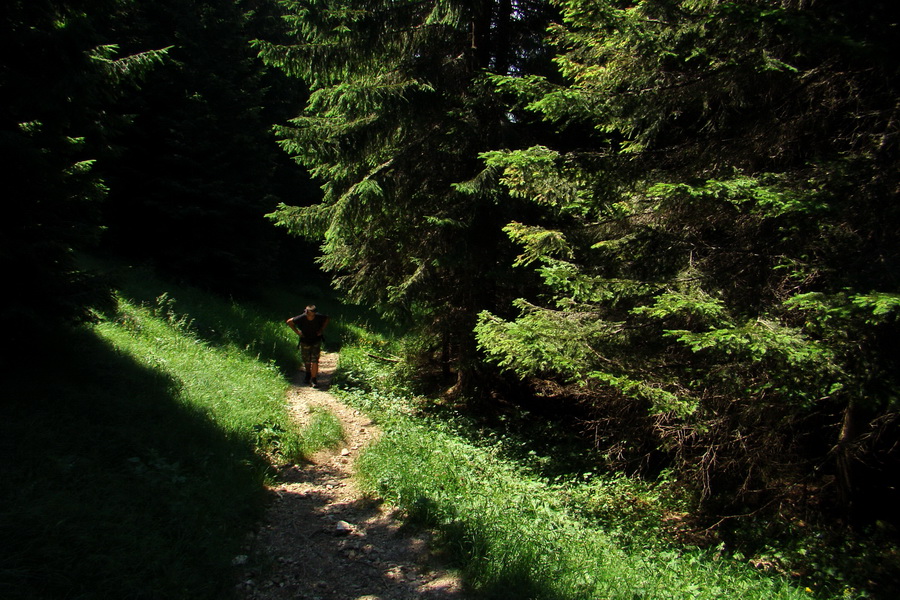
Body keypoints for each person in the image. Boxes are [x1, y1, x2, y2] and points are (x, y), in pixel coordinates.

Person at [286, 305, 330, 387]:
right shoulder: (302, 317)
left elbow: (327, 319)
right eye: (308, 313)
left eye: (312, 313)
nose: (309, 314)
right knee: (306, 360)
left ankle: (314, 379)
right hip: (305, 341)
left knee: (315, 360)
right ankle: (308, 374)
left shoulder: (319, 317)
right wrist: (298, 332)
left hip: (316, 341)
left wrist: (321, 330)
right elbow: (289, 322)